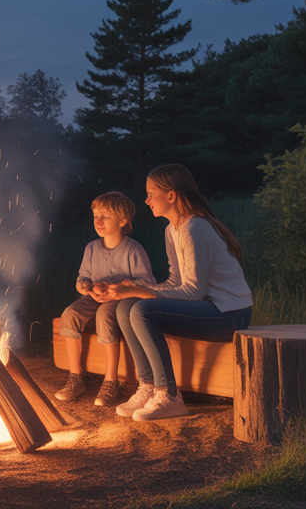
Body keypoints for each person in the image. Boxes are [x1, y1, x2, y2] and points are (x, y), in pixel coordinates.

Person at [108, 165, 253, 421]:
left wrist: (142, 291)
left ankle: (168, 395)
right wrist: (132, 289)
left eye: (151, 193)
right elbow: (176, 282)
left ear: (171, 196)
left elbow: (193, 292)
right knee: (125, 306)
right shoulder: (172, 229)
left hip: (229, 313)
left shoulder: (195, 228)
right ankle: (149, 386)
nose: (147, 200)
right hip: (206, 309)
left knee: (141, 309)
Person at [53, 192, 157, 407]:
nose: (98, 221)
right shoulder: (91, 248)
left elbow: (147, 282)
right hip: (95, 295)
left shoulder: (132, 249)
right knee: (70, 314)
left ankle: (110, 380)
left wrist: (123, 287)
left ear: (122, 221)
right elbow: (83, 277)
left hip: (120, 300)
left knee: (104, 316)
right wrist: (85, 287)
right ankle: (75, 378)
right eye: (96, 216)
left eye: (105, 216)